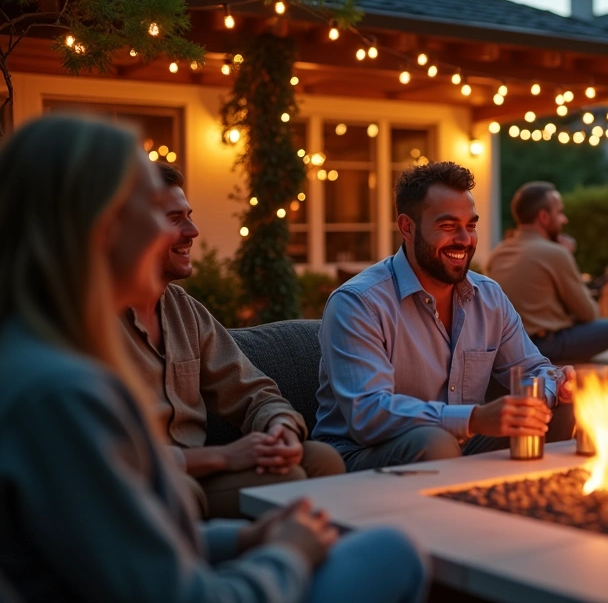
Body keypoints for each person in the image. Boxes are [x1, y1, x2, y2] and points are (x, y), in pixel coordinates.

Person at [0, 114, 425, 602]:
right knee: (393, 551)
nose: (192, 231)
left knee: (340, 497)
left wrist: (248, 538)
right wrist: (287, 554)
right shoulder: (60, 393)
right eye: (157, 209)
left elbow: (123, 552)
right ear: (100, 227)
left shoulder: (46, 357)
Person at [314, 162, 576, 470]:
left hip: (464, 445)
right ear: (407, 227)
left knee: (556, 409)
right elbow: (369, 414)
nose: (465, 240)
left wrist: (553, 387)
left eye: (471, 225)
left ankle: (530, 510)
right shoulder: (358, 303)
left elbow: (534, 369)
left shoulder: (488, 297)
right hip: (362, 455)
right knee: (435, 442)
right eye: (449, 226)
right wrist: (475, 419)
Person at [119, 163, 345, 519]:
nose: (193, 231)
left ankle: (317, 564)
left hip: (202, 475)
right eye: (174, 219)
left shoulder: (183, 310)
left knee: (321, 458)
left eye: (188, 216)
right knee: (280, 481)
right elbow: (107, 454)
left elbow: (251, 391)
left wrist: (279, 428)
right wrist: (223, 456)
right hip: (143, 484)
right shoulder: (93, 324)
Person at [487, 181, 608, 363]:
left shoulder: (497, 253)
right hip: (547, 346)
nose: (564, 219)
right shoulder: (554, 252)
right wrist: (565, 255)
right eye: (559, 212)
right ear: (543, 217)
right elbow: (589, 314)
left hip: (510, 347)